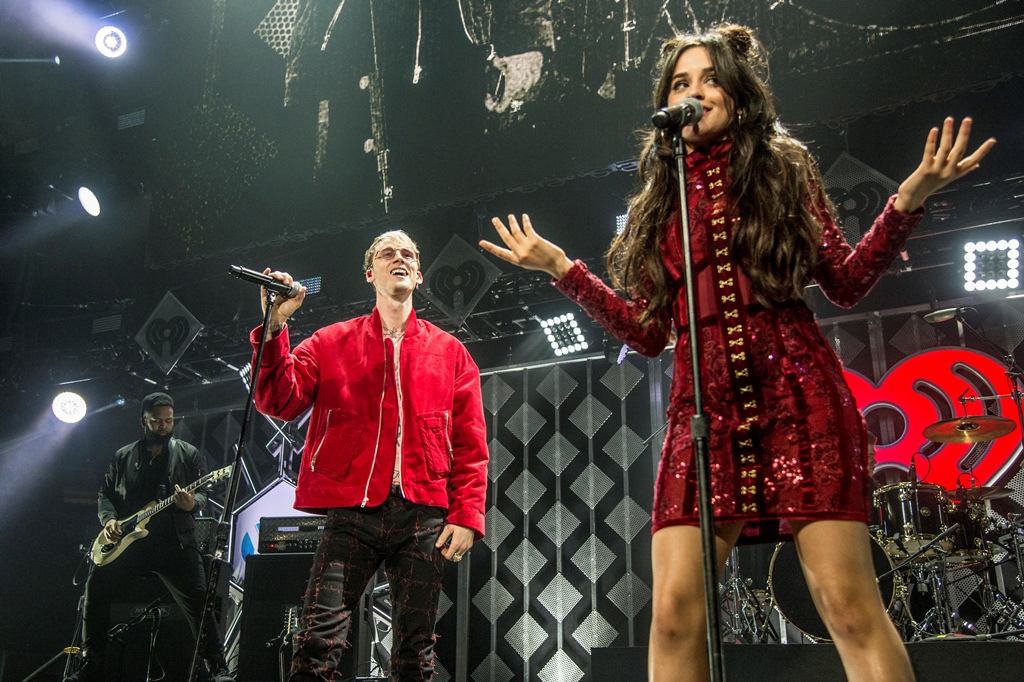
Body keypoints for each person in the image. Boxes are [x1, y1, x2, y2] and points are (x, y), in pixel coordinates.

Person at [480, 23, 996, 682]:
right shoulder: (656, 201)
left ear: (738, 92)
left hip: (801, 404)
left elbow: (845, 282)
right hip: (704, 415)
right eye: (679, 83)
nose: (694, 92)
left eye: (708, 79)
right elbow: (646, 332)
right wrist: (562, 268)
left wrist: (907, 201)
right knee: (671, 618)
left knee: (845, 607)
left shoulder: (784, 166)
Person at [252, 230, 489, 680]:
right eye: (387, 253)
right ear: (370, 273)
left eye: (408, 254)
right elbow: (277, 400)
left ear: (418, 274)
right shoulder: (330, 341)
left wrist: (467, 514)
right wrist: (276, 326)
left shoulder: (451, 352)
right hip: (352, 511)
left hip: (423, 514)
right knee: (317, 637)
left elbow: (471, 443)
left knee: (415, 647)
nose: (398, 258)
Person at [67, 392, 231, 682]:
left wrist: (191, 504)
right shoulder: (124, 455)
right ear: (144, 420)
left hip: (175, 542)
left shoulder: (187, 453)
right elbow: (105, 494)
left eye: (169, 420)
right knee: (96, 587)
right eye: (158, 421)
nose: (165, 426)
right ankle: (90, 664)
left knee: (198, 602)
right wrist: (109, 521)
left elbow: (204, 493)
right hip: (131, 541)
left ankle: (218, 667)